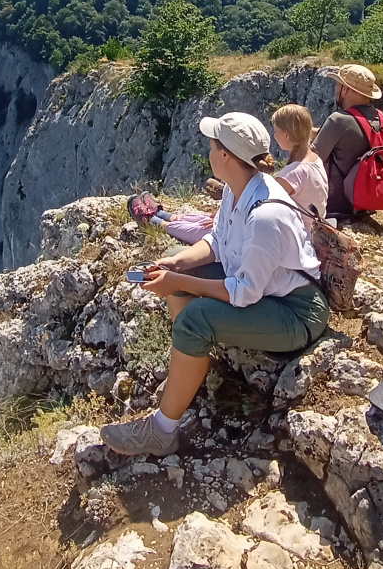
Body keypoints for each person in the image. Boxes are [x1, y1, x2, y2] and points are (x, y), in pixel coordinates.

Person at [101, 111, 330, 458]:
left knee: (196, 317)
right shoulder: (236, 190)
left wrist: (181, 281)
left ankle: (162, 430)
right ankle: (191, 361)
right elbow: (217, 243)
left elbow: (244, 292)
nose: (208, 150)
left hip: (295, 312)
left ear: (226, 155)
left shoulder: (266, 214)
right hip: (267, 294)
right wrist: (176, 264)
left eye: (212, 145)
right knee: (179, 254)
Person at [312, 63, 383, 222]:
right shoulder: (379, 117)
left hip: (336, 207)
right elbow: (352, 139)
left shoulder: (338, 120)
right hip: (364, 204)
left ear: (345, 89)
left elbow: (311, 161)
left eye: (338, 85)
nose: (336, 90)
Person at [272, 103, 328, 220]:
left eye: (276, 131)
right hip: (318, 228)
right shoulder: (315, 159)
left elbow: (266, 206)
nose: (274, 135)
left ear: (287, 136)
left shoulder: (290, 176)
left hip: (301, 235)